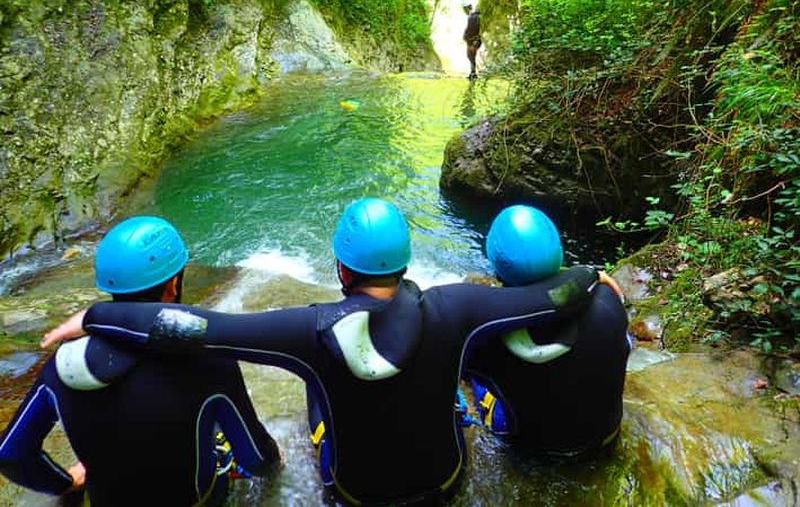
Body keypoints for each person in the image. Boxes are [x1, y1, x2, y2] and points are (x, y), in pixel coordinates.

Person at [41, 198, 608, 506]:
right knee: (456, 367)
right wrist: (593, 273)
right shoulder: (457, 306)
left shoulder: (307, 330)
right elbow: (550, 297)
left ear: (340, 267)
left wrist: (98, 315)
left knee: (317, 383)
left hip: (357, 492)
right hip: (446, 480)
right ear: (407, 262)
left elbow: (202, 328)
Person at [0, 216, 280, 506]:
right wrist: (276, 459)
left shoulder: (65, 365)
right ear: (173, 285)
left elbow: (10, 454)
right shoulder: (208, 359)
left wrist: (65, 482)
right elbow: (257, 459)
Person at [464, 205, 631, 458]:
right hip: (605, 436)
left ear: (497, 264)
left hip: (535, 448)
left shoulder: (490, 334)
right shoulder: (608, 297)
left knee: (473, 377)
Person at [462, 0, 481, 80]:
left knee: (471, 55)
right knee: (471, 56)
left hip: (474, 41)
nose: (464, 10)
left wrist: (474, 42)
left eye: (464, 9)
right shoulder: (472, 16)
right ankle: (473, 73)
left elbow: (477, 29)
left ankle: (473, 73)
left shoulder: (474, 16)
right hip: (471, 41)